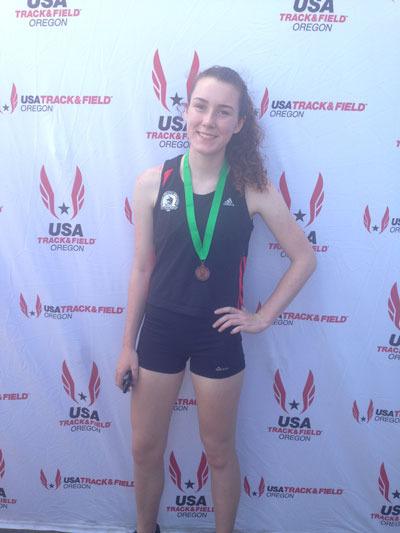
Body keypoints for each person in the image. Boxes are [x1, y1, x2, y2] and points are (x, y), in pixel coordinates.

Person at [115, 66, 316, 533]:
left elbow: (304, 258)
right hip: (160, 330)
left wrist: (263, 316)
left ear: (239, 123)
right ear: (185, 111)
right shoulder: (153, 182)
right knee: (145, 447)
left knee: (219, 450)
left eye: (223, 112)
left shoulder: (253, 187)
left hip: (217, 335)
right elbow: (143, 267)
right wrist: (128, 344)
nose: (208, 120)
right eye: (200, 106)